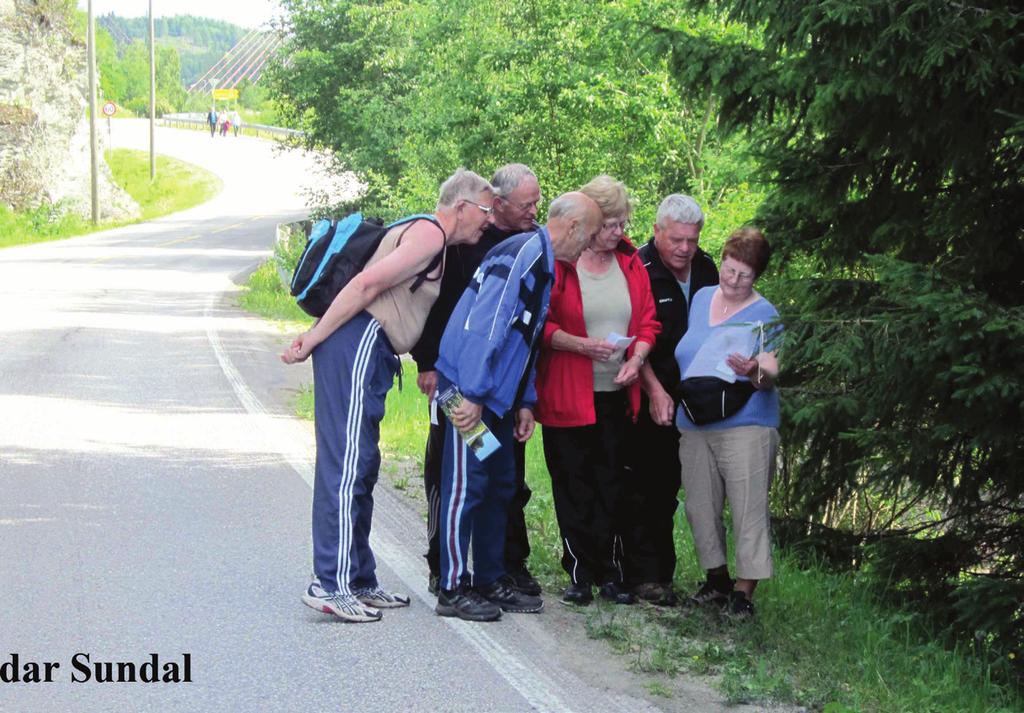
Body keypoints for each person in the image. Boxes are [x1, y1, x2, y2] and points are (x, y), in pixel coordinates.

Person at [281, 168, 495, 623]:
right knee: (345, 463)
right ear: (462, 206)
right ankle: (330, 583)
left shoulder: (430, 237)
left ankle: (359, 578)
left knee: (364, 463)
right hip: (359, 343)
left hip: (371, 350)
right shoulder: (429, 235)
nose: (488, 221)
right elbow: (365, 286)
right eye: (485, 211)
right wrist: (315, 336)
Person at [435, 192, 602, 622]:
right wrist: (471, 392)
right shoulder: (523, 256)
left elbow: (524, 341)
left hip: (498, 398)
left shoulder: (545, 264)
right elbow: (486, 324)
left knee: (498, 485)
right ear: (570, 229)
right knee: (465, 487)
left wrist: (526, 400)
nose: (588, 247)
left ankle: (490, 578)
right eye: (588, 237)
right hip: (464, 392)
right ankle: (453, 588)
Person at [410, 164, 544, 597]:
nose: (533, 211)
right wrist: (426, 363)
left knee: (498, 476)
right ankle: (442, 566)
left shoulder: (530, 246)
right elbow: (434, 305)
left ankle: (497, 568)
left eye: (537, 203)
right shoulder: (461, 240)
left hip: (498, 391)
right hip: (453, 382)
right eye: (526, 204)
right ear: (497, 204)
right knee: (453, 472)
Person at [535, 175, 659, 606]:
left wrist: (637, 358)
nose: (619, 233)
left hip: (616, 393)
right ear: (590, 222)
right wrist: (581, 345)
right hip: (567, 392)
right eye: (611, 225)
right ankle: (579, 572)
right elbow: (540, 324)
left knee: (612, 483)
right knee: (574, 484)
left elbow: (647, 321)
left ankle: (611, 572)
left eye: (623, 224)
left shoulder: (630, 263)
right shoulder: (559, 262)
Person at [674, 227, 781, 619]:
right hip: (695, 419)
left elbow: (771, 371)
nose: (734, 281)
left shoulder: (765, 313)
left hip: (746, 422)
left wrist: (755, 369)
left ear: (757, 277)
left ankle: (743, 592)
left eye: (744, 276)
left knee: (748, 505)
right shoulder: (702, 297)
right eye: (729, 270)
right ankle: (715, 579)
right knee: (700, 506)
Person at [624, 194, 719, 606]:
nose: (685, 249)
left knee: (691, 488)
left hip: (699, 396)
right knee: (649, 486)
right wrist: (654, 391)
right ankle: (648, 576)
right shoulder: (639, 268)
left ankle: (700, 579)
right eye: (677, 239)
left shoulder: (708, 268)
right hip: (653, 389)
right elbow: (632, 337)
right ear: (657, 230)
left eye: (692, 240)